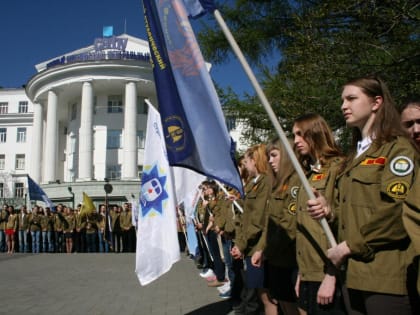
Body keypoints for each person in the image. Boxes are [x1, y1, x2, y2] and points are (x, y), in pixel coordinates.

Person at [317, 75, 417, 315]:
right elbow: (355, 210)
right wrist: (329, 210)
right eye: (342, 100)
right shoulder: (354, 156)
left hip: (385, 274)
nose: (343, 106)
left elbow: (398, 210)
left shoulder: (398, 148)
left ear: (376, 102)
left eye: (351, 98)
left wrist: (350, 246)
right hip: (353, 274)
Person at [293, 113, 346, 315]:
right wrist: (302, 273)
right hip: (309, 272)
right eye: (294, 135)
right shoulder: (307, 173)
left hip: (329, 273)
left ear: (315, 133)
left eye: (300, 134)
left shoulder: (338, 167)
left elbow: (344, 228)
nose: (296, 141)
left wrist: (331, 275)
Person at [231, 144, 273, 315]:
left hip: (258, 246)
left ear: (255, 161)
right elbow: (248, 212)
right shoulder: (254, 184)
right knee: (260, 292)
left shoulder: (265, 182)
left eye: (247, 162)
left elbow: (257, 220)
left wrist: (241, 244)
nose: (245, 166)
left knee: (266, 296)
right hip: (251, 246)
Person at [260, 138, 300, 315]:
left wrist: (266, 250)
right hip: (276, 258)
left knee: (293, 308)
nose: (270, 160)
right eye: (269, 156)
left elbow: (288, 225)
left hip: (289, 259)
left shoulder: (296, 182)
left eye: (274, 155)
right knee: (283, 304)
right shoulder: (277, 184)